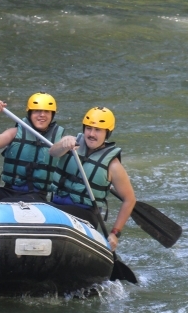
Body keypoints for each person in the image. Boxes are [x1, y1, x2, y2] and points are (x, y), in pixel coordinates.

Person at [49, 106, 136, 250]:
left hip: (85, 216)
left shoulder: (113, 166)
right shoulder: (70, 143)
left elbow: (130, 199)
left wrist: (115, 233)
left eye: (98, 130)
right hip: (57, 206)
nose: (91, 134)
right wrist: (63, 144)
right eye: (88, 128)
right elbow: (53, 152)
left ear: (107, 133)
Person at [0, 93, 65, 208]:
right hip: (9, 191)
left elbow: (69, 150)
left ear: (52, 115)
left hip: (36, 197)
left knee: (6, 203)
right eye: (37, 111)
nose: (42, 115)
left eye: (47, 112)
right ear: (30, 113)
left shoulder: (59, 141)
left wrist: (69, 142)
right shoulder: (14, 132)